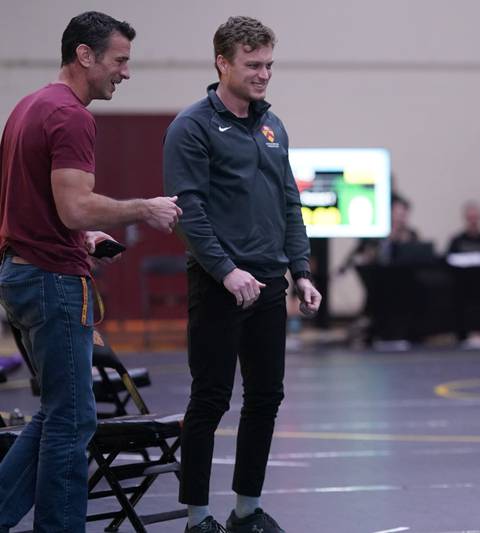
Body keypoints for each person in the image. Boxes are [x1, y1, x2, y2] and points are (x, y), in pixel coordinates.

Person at [0, 12, 181, 532]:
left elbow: (42, 205)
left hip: (24, 270)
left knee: (60, 411)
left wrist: (81, 237)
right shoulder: (72, 116)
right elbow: (76, 206)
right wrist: (144, 209)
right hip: (52, 280)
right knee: (73, 418)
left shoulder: (27, 107)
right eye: (119, 60)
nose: (124, 73)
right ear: (85, 55)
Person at [163, 16, 321, 533]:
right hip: (217, 285)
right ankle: (197, 518)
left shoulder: (274, 127)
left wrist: (301, 271)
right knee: (210, 398)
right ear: (222, 63)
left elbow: (289, 204)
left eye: (269, 65)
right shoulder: (192, 126)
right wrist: (227, 272)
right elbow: (189, 210)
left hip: (271, 284)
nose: (264, 75)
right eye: (253, 65)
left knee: (266, 397)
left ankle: (247, 511)